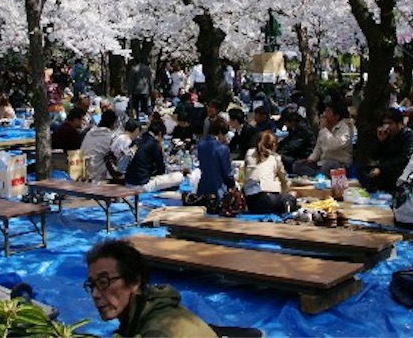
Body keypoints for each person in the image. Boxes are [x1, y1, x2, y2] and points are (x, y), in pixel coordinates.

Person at [84, 238, 216, 337]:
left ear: (135, 282)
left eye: (103, 282)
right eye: (92, 284)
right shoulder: (144, 308)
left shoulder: (157, 331)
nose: (95, 294)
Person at [357, 108, 413, 193]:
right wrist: (380, 141)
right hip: (385, 166)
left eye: (390, 123)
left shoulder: (408, 136)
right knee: (362, 170)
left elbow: (404, 158)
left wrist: (381, 168)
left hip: (400, 169)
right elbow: (374, 156)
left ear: (399, 123)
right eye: (385, 123)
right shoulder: (387, 135)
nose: (387, 127)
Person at [293, 97, 354, 177]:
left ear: (336, 116)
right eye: (325, 111)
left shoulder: (345, 128)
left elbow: (333, 146)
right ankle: (318, 175)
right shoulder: (324, 128)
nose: (324, 114)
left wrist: (324, 130)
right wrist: (311, 159)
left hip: (338, 163)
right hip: (322, 162)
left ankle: (319, 175)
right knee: (297, 165)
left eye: (328, 111)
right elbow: (318, 147)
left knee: (329, 166)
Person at [244, 131, 298, 214]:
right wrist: (287, 193)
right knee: (291, 197)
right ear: (274, 145)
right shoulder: (275, 158)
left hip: (250, 202)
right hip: (267, 200)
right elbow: (284, 181)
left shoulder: (249, 153)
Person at [124, 121, 184, 192]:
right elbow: (161, 169)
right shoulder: (154, 144)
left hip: (128, 182)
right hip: (141, 185)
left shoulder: (138, 140)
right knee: (179, 176)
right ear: (160, 134)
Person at [195, 118, 234, 200]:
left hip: (202, 189)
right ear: (220, 132)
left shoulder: (201, 145)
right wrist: (233, 185)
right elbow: (227, 173)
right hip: (218, 191)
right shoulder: (222, 148)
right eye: (224, 135)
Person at [81, 109, 119, 182]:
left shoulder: (89, 133)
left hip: (83, 171)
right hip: (96, 176)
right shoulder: (109, 137)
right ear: (113, 123)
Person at [278, 109, 315, 174]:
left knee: (281, 157)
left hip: (303, 156)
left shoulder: (303, 130)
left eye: (285, 122)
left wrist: (279, 152)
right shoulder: (295, 128)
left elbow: (292, 145)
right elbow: (287, 140)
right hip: (296, 153)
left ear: (292, 122)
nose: (285, 124)